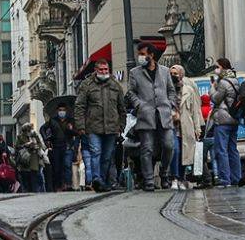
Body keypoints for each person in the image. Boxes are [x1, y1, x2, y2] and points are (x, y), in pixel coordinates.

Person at [126, 42, 177, 191]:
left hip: (164, 114)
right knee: (146, 148)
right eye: (139, 54)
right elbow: (131, 92)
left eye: (142, 54)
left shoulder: (165, 71)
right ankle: (148, 179)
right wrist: (139, 105)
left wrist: (170, 104)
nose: (140, 57)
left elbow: (171, 90)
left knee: (168, 145)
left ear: (151, 55)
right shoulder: (134, 72)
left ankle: (164, 173)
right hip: (145, 115)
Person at [75, 60, 126, 192]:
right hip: (93, 127)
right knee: (96, 152)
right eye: (101, 70)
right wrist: (81, 125)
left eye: (106, 69)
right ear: (96, 70)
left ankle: (102, 180)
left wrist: (122, 125)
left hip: (111, 127)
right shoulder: (87, 85)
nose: (104, 72)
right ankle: (96, 178)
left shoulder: (115, 85)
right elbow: (80, 106)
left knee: (107, 156)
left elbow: (122, 107)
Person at [209, 58, 242, 188]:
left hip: (222, 119)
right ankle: (236, 178)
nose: (216, 69)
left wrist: (212, 88)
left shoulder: (222, 82)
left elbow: (216, 98)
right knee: (232, 149)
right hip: (234, 119)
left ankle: (225, 179)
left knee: (221, 150)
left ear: (222, 67)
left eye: (217, 66)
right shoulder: (235, 80)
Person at [169, 65, 202, 190]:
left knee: (185, 154)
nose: (173, 76)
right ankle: (174, 178)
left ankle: (182, 178)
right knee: (175, 151)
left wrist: (197, 128)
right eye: (171, 73)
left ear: (181, 74)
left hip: (186, 127)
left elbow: (195, 111)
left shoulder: (189, 90)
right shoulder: (167, 89)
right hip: (171, 126)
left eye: (175, 73)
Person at [41, 102, 76, 192]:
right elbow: (42, 129)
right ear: (57, 111)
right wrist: (46, 140)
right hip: (56, 146)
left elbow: (76, 132)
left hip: (67, 146)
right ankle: (58, 185)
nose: (62, 112)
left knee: (67, 165)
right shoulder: (53, 120)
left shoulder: (71, 120)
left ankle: (68, 184)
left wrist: (71, 129)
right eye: (60, 110)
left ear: (66, 111)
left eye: (63, 110)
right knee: (57, 167)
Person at [16, 123, 46, 193]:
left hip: (34, 160)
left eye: (30, 130)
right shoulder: (20, 137)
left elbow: (40, 145)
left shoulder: (34, 136)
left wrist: (36, 146)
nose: (29, 132)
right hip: (25, 161)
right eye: (27, 130)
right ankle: (27, 191)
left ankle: (34, 191)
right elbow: (17, 147)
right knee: (26, 179)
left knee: (34, 178)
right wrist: (26, 145)